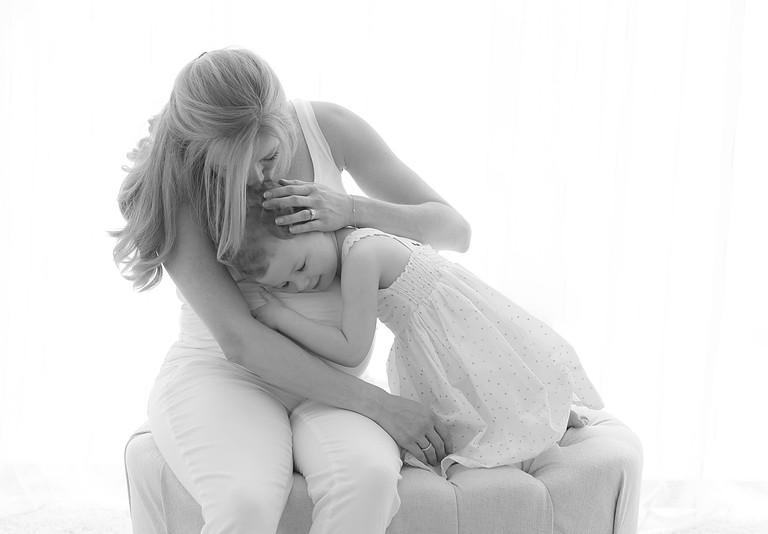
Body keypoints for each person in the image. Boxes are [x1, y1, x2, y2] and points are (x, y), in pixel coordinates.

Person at [112, 47, 472, 534]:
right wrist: (380, 405)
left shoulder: (328, 129)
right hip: (224, 375)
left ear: (282, 119)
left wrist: (351, 210)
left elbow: (455, 231)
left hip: (327, 382)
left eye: (266, 156)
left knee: (366, 479)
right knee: (245, 503)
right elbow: (240, 341)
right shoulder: (175, 179)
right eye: (231, 167)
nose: (257, 178)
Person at [233, 180, 604, 477]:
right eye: (285, 286)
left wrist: (282, 317)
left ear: (311, 223)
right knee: (497, 380)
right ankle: (547, 415)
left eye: (299, 267)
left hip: (452, 326)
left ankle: (546, 421)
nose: (302, 285)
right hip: (460, 319)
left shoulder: (361, 257)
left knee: (492, 386)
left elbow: (351, 349)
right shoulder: (355, 240)